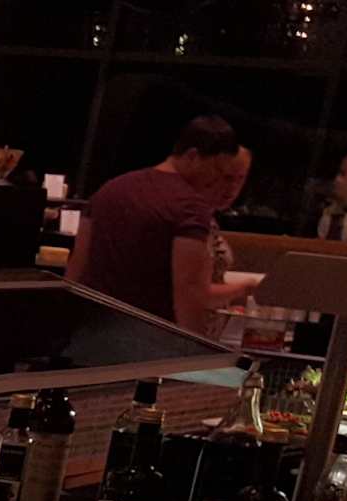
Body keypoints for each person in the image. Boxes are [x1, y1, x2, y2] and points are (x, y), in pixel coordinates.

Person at [66, 117, 250, 337]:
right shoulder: (189, 207)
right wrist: (196, 351)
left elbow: (76, 270)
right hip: (147, 340)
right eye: (217, 169)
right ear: (192, 156)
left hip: (90, 334)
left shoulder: (109, 190)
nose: (217, 180)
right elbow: (189, 292)